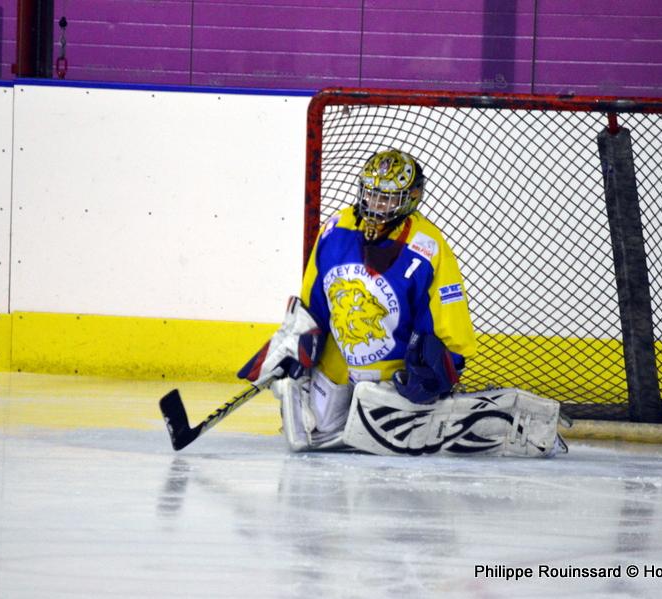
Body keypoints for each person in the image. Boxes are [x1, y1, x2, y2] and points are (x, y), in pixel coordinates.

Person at [238, 148, 567, 457]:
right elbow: (315, 299)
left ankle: (475, 415)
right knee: (318, 431)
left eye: (386, 198)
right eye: (371, 194)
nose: (376, 204)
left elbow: (447, 316)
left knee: (379, 430)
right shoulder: (336, 229)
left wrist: (441, 367)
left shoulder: (427, 245)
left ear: (411, 198)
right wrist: (296, 344)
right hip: (339, 368)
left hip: (392, 379)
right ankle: (315, 393)